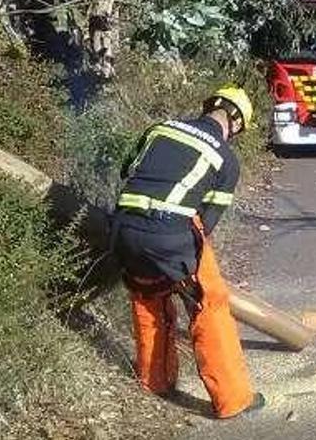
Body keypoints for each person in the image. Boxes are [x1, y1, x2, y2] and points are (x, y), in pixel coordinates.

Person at [112, 86, 264, 419]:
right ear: (237, 124)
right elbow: (206, 223)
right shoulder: (226, 158)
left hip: (122, 228)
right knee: (209, 303)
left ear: (210, 106)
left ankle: (155, 380)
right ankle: (234, 399)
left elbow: (129, 172)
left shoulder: (160, 127)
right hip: (167, 234)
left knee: (147, 296)